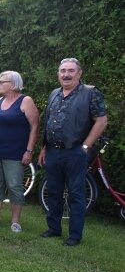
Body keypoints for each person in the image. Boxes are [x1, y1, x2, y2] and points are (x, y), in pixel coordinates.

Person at [38, 57, 108, 246]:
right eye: (63, 71)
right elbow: (49, 123)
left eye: (70, 71)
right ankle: (54, 228)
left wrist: (85, 147)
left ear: (79, 73)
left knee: (76, 195)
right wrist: (44, 148)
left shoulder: (90, 93)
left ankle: (74, 236)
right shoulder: (54, 93)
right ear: (58, 74)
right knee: (53, 192)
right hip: (53, 152)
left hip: (75, 152)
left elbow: (101, 121)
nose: (66, 74)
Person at [0, 71, 39, 232]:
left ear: (12, 84)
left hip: (14, 153)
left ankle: (15, 222)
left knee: (14, 186)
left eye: (1, 82)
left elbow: (35, 126)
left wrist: (29, 150)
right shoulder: (0, 101)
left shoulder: (25, 101)